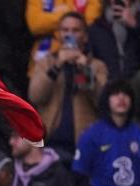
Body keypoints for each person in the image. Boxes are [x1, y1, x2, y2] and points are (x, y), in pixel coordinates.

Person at [28, 11, 108, 160]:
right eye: (65, 30)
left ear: (85, 36)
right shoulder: (46, 62)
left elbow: (101, 102)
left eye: (75, 30)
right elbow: (36, 96)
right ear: (58, 35)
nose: (69, 35)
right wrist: (57, 65)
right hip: (51, 144)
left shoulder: (96, 66)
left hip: (84, 145)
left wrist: (84, 70)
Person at [87, 0, 140, 81]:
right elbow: (90, 57)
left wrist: (135, 25)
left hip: (138, 85)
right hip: (109, 86)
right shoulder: (96, 28)